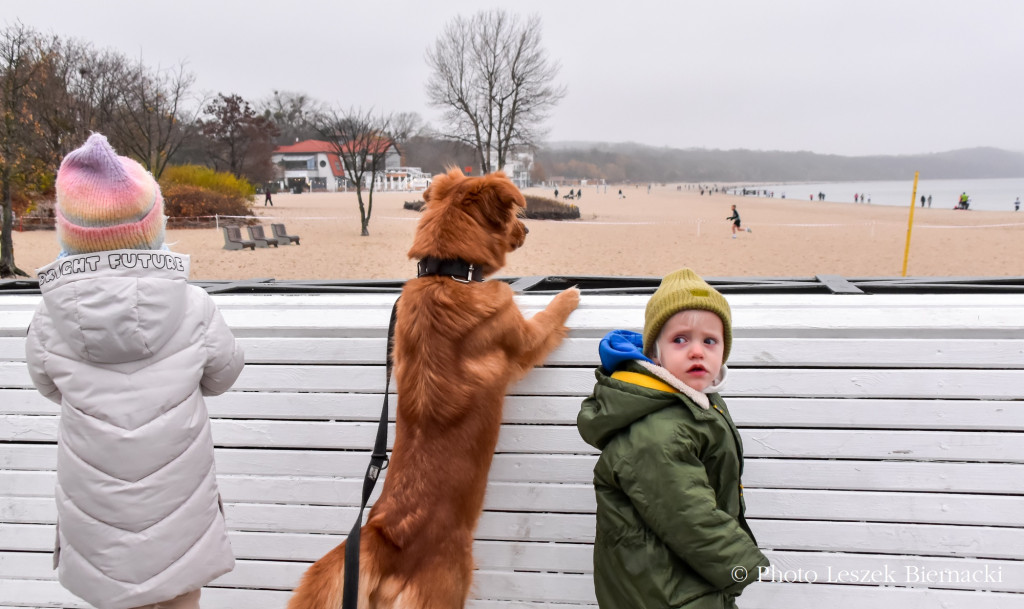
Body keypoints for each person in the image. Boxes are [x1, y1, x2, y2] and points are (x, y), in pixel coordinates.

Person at [24, 134, 245, 609]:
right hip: (178, 509)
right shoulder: (193, 306)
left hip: (97, 513)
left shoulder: (49, 319)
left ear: (70, 233)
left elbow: (46, 384)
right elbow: (225, 374)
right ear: (153, 227)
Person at [577, 268, 769, 609]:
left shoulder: (696, 406)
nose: (697, 351)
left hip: (684, 575)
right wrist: (740, 566)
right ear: (655, 354)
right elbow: (686, 514)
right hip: (662, 589)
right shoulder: (658, 429)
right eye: (680, 339)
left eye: (709, 341)